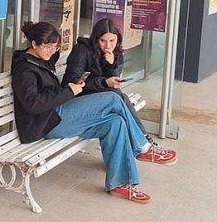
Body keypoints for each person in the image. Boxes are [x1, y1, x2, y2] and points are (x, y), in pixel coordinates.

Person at [11, 21, 174, 204]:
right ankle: (142, 147)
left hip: (59, 113)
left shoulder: (42, 58)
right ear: (33, 44)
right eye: (48, 47)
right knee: (113, 98)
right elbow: (32, 104)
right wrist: (68, 91)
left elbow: (69, 57)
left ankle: (119, 184)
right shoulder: (24, 69)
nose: (52, 51)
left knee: (115, 122)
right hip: (47, 122)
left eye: (55, 47)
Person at [61, 18, 177, 157]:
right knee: (118, 97)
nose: (108, 45)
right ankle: (144, 142)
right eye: (103, 40)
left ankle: (142, 144)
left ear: (118, 39)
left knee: (118, 113)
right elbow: (72, 82)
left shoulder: (116, 53)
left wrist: (110, 65)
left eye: (112, 41)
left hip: (102, 97)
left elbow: (113, 81)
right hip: (77, 100)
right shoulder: (82, 50)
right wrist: (104, 83)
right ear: (95, 38)